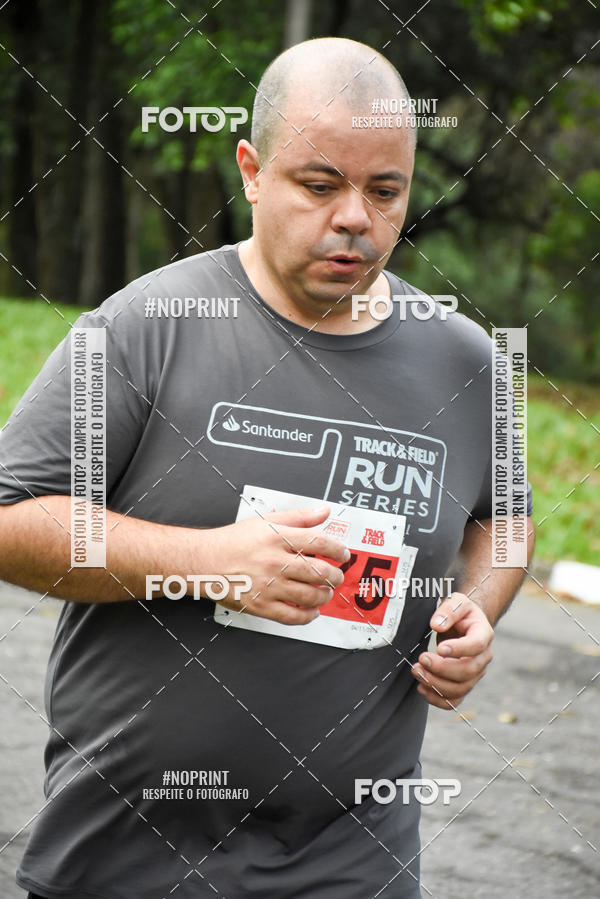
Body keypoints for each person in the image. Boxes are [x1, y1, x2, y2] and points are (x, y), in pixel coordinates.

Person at [0, 37, 534, 899]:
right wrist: (210, 562)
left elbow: (503, 514)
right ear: (252, 171)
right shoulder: (145, 328)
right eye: (320, 185)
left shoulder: (464, 362)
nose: (355, 216)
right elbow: (9, 518)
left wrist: (477, 605)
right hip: (128, 859)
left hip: (355, 863)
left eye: (385, 190)